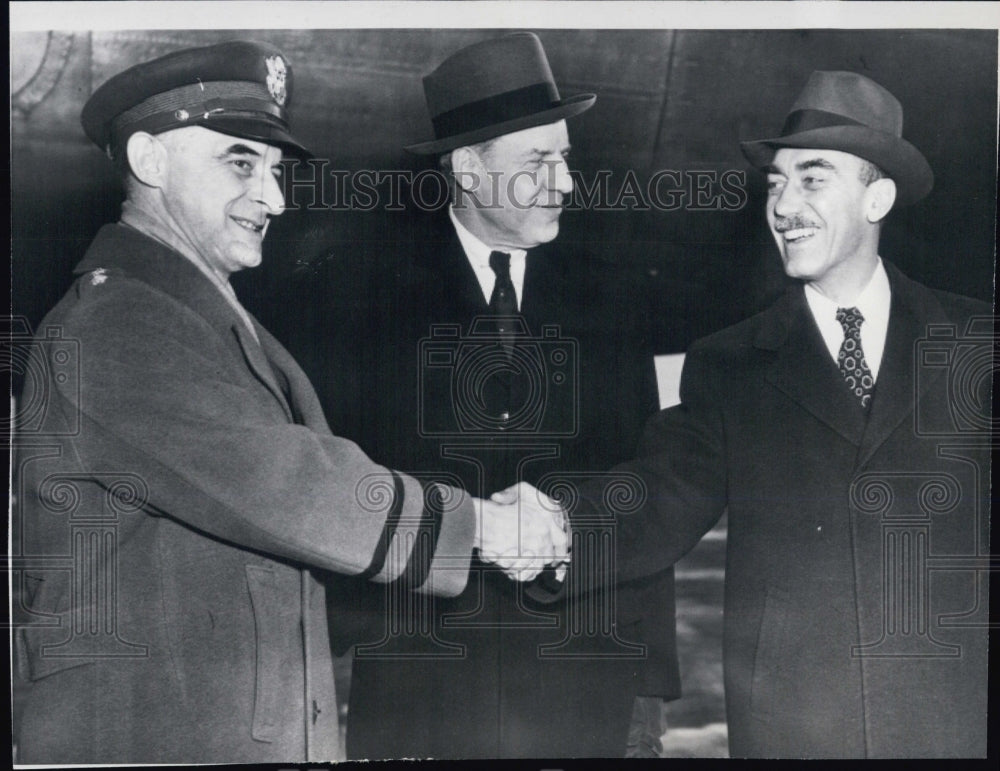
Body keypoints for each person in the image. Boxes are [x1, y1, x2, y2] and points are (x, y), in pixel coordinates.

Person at [12, 40, 566, 765]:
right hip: (150, 734)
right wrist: (482, 526)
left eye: (274, 172)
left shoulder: (198, 314)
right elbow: (291, 482)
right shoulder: (121, 324)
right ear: (149, 161)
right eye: (241, 163)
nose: (273, 197)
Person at [500, 70, 991, 757]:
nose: (784, 206)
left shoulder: (975, 344)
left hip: (954, 724)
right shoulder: (733, 364)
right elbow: (659, 493)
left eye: (812, 179)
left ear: (877, 195)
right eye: (775, 184)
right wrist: (558, 530)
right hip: (795, 730)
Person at [281, 32, 679, 758]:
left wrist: (650, 691)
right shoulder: (363, 295)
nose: (564, 183)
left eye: (565, 158)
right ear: (467, 168)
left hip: (582, 686)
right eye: (538, 162)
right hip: (419, 690)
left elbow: (639, 485)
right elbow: (336, 485)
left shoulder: (614, 296)